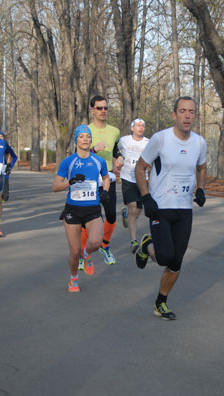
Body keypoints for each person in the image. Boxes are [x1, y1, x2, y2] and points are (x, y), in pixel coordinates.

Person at [134, 96, 207, 321]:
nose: (187, 115)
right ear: (174, 115)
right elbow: (140, 167)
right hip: (161, 207)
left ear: (195, 116)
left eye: (191, 111)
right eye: (182, 111)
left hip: (184, 209)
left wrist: (201, 189)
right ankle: (147, 245)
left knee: (176, 263)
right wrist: (146, 197)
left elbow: (202, 168)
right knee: (165, 256)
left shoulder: (199, 143)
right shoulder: (161, 139)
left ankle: (160, 303)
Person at [53, 124, 110, 292]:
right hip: (73, 209)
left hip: (93, 208)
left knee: (95, 242)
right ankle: (73, 278)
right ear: (76, 140)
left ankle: (87, 254)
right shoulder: (68, 161)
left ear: (91, 139)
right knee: (74, 250)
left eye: (88, 136)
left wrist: (105, 191)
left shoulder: (98, 161)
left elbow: (106, 178)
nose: (85, 139)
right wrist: (70, 182)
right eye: (81, 136)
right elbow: (55, 186)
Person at [85, 95, 121, 265]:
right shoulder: (85, 130)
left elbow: (116, 150)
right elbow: (79, 155)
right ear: (92, 110)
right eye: (99, 108)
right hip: (90, 178)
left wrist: (120, 158)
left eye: (105, 108)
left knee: (112, 216)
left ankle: (104, 246)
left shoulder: (114, 131)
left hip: (107, 178)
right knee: (91, 217)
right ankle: (83, 252)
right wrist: (93, 149)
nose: (103, 111)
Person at [115, 118, 150, 253]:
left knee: (137, 212)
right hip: (127, 177)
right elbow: (115, 151)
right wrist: (117, 164)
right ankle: (133, 241)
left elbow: (152, 157)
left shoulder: (148, 142)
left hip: (142, 179)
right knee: (133, 208)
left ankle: (126, 214)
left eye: (143, 126)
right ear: (132, 128)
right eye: (138, 126)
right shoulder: (124, 140)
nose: (141, 128)